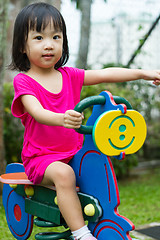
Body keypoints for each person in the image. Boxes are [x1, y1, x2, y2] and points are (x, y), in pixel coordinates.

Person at [10, 2, 160, 240]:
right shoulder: (24, 82)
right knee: (65, 175)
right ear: (22, 46)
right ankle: (82, 234)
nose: (49, 44)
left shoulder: (70, 75)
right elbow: (36, 111)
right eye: (39, 37)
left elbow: (106, 73)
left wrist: (143, 73)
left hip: (74, 152)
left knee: (98, 164)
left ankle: (105, 219)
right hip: (42, 158)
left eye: (55, 37)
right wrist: (62, 118)